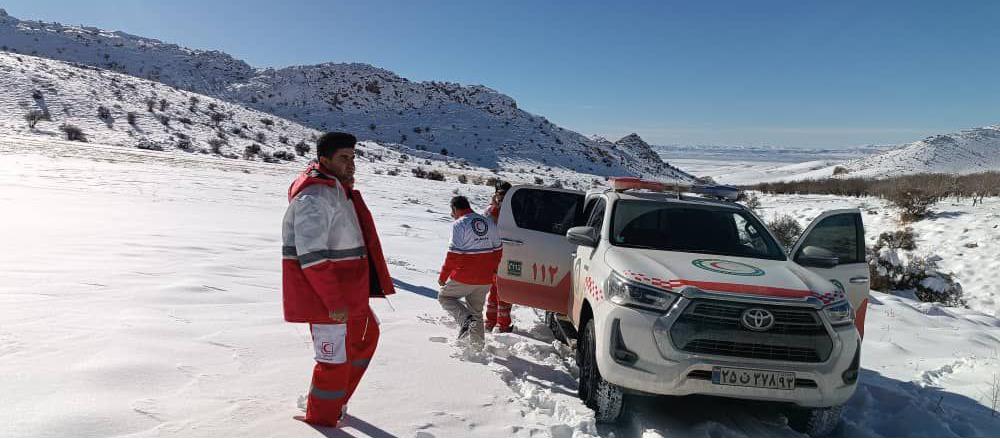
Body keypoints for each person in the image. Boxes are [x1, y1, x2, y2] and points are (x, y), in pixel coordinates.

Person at [281, 132, 395, 427]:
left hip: (348, 293)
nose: (351, 164)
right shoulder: (314, 198)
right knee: (333, 361)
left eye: (353, 157)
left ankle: (335, 402)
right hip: (326, 299)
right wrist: (333, 302)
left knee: (366, 337)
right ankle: (321, 420)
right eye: (344, 158)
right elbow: (312, 257)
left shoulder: (336, 190)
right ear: (324, 160)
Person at [438, 195, 502, 347]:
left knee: (444, 297)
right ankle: (477, 348)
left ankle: (465, 319)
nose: (451, 215)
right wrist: (493, 271)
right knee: (476, 312)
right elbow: (499, 251)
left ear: (455, 209)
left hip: (465, 276)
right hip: (485, 278)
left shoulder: (459, 224)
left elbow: (453, 255)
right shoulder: (488, 222)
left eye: (452, 212)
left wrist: (443, 276)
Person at [483, 181, 514, 332]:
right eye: (500, 194)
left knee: (496, 290)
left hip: (497, 255)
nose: (502, 197)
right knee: (503, 290)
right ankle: (502, 324)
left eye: (504, 194)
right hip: (498, 255)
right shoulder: (495, 211)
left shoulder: (493, 210)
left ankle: (491, 322)